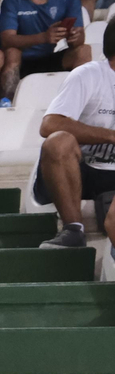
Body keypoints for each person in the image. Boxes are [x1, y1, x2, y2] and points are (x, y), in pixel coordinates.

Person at [34, 22, 115, 248]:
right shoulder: (89, 74)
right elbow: (49, 125)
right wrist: (110, 136)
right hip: (81, 170)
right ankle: (73, 229)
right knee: (58, 142)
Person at [0, 0, 90, 101]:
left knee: (84, 50)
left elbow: (78, 40)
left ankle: (79, 104)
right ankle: (7, 105)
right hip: (20, 62)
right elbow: (6, 40)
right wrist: (43, 37)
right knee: (12, 52)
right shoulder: (11, 1)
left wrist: (75, 36)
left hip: (48, 58)